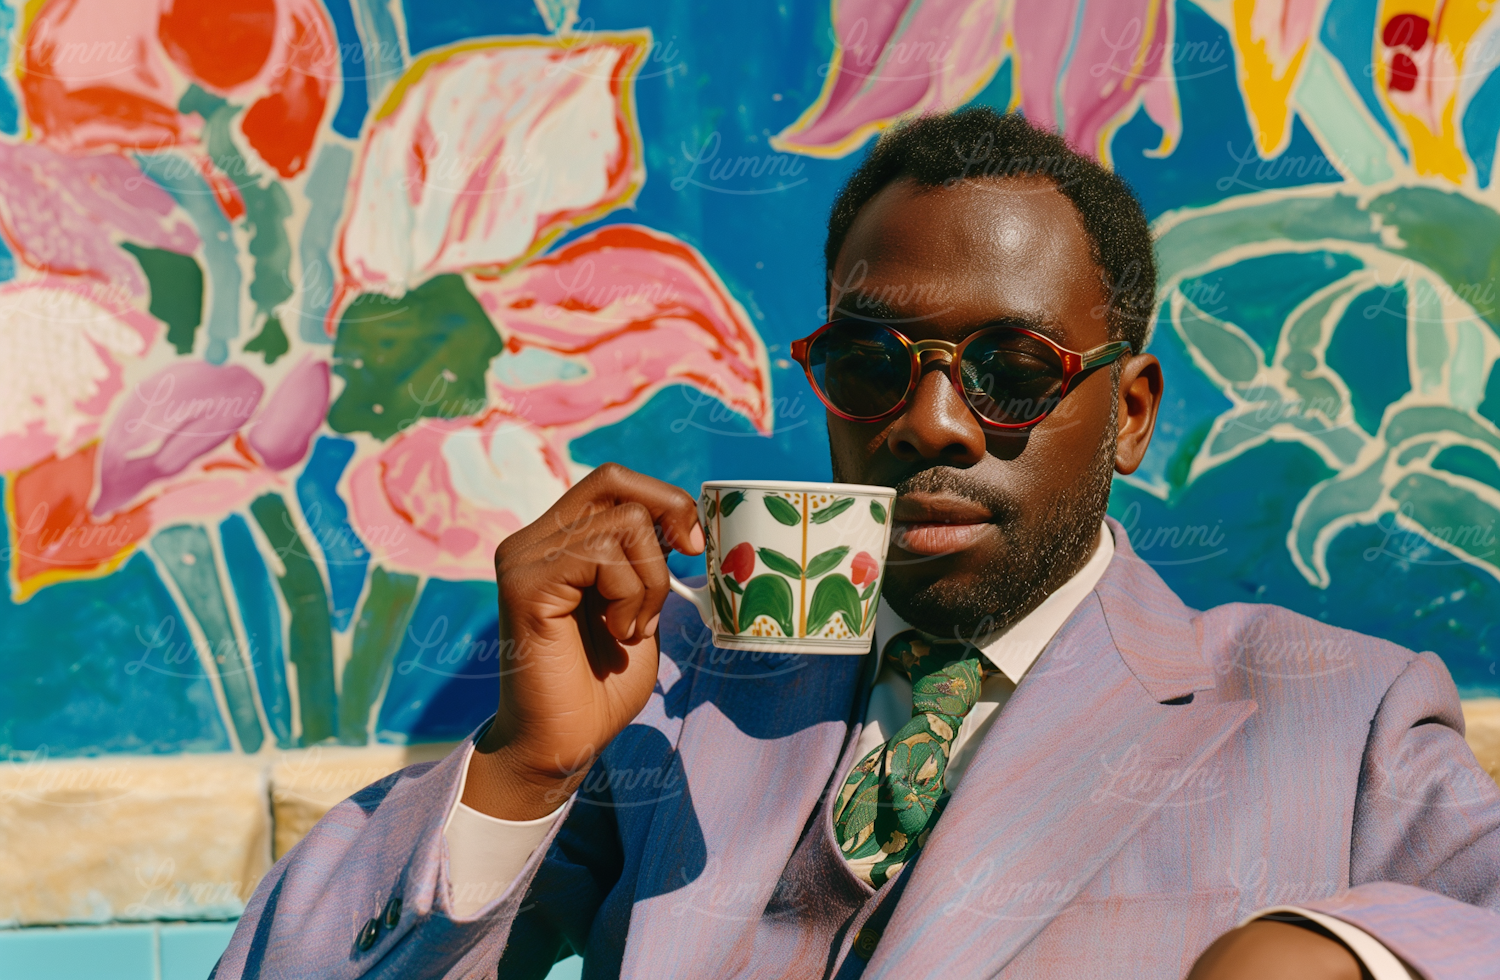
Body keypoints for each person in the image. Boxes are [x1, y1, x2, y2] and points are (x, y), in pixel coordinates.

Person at [215, 109, 1500, 979]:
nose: (932, 422)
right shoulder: (665, 686)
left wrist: (1344, 951)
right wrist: (521, 765)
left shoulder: (1332, 715)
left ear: (1131, 414)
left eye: (1011, 367)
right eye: (874, 361)